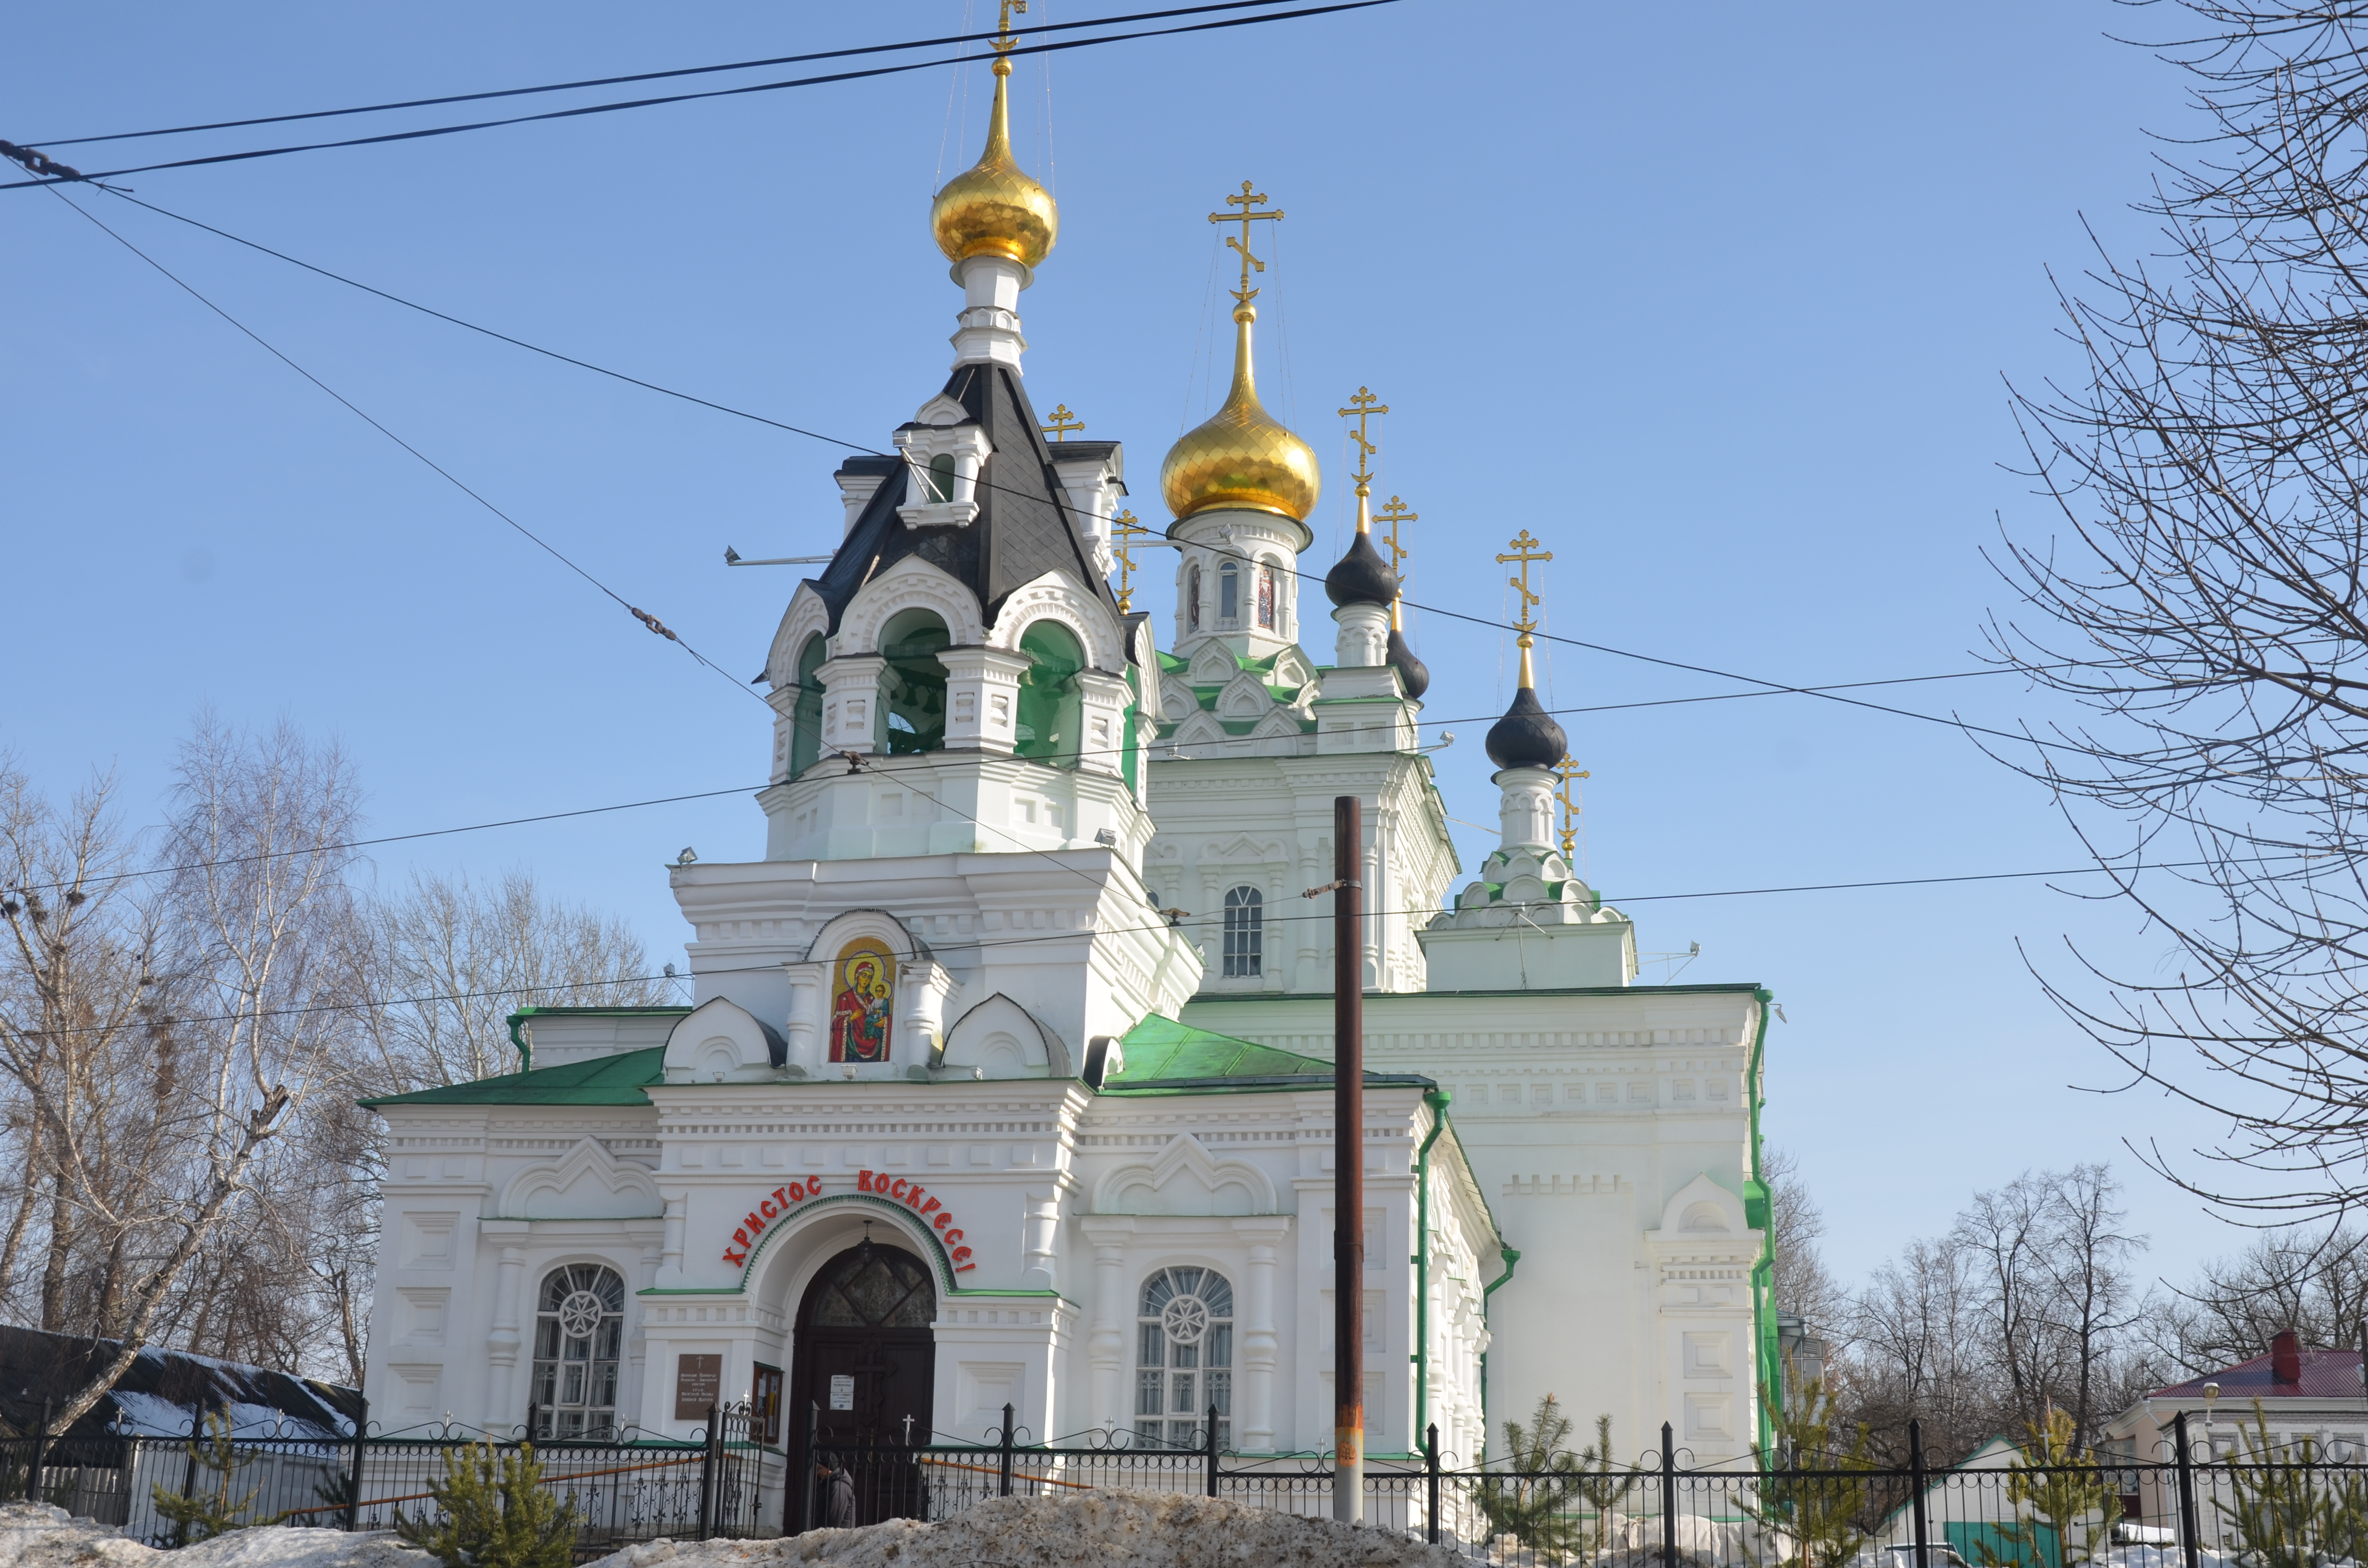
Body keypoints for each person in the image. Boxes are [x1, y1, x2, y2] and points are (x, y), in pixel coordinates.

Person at [814, 1455, 856, 1530]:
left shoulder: (837, 1487)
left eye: (820, 1468)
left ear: (829, 1468)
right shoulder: (830, 1485)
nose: (818, 1472)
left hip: (837, 1539)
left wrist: (824, 1537)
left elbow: (833, 1519)